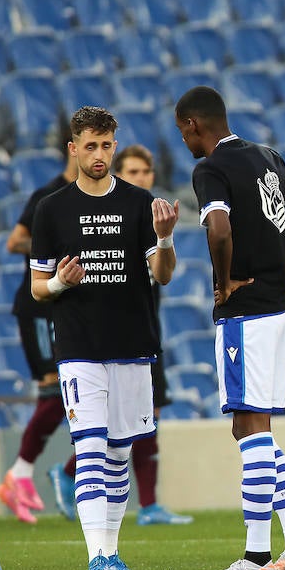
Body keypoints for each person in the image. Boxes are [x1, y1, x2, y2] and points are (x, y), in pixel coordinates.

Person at [174, 87, 285, 570]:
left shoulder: (210, 170)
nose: (185, 142)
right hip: (282, 307)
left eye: (184, 132)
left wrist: (221, 285)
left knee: (249, 425)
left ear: (195, 124)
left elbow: (218, 230)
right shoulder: (267, 158)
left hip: (247, 313)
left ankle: (256, 557)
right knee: (252, 426)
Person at [29, 106, 178, 570]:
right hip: (79, 345)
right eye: (89, 146)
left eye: (106, 145)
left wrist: (166, 238)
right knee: (90, 446)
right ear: (73, 149)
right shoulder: (51, 209)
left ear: (115, 145)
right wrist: (59, 284)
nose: (99, 155)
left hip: (133, 344)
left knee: (118, 452)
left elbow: (162, 274)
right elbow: (36, 287)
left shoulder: (139, 203)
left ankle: (111, 555)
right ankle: (96, 557)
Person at [109, 145, 193, 526]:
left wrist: (164, 239)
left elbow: (164, 274)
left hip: (146, 330)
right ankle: (68, 472)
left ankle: (148, 506)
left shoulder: (152, 220)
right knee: (118, 422)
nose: (141, 178)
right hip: (112, 334)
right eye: (132, 171)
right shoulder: (111, 219)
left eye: (146, 171)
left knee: (148, 414)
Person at [0, 133, 75, 522]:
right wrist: (54, 250)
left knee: (61, 392)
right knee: (53, 388)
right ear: (74, 148)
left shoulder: (93, 195)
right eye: (90, 145)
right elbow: (15, 241)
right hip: (38, 304)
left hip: (64, 305)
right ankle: (19, 473)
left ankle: (21, 473)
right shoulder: (50, 196)